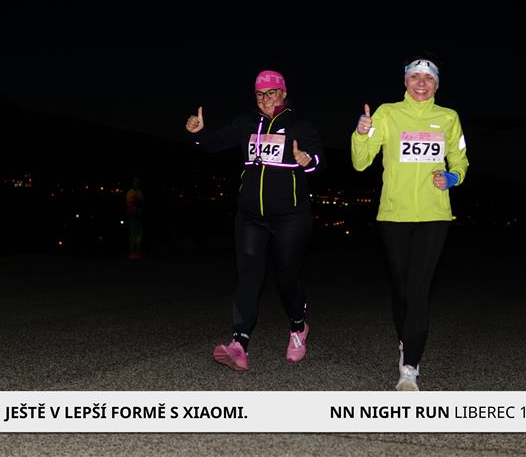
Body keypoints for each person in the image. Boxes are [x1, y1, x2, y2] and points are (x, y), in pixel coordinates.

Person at [185, 70, 325, 371]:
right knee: (248, 276)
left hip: (290, 217)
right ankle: (239, 343)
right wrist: (199, 133)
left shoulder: (300, 125)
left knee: (287, 278)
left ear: (283, 93)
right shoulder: (246, 123)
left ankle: (298, 326)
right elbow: (214, 143)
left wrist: (307, 160)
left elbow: (318, 162)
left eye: (271, 93)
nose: (265, 99)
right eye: (260, 94)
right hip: (250, 217)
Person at [351, 57, 469, 391]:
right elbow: (360, 163)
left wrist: (453, 176)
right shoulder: (387, 113)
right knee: (402, 290)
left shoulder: (448, 117)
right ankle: (406, 340)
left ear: (436, 85)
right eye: (415, 77)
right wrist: (361, 134)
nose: (421, 83)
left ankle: (410, 368)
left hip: (434, 215)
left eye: (428, 78)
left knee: (418, 290)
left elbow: (460, 159)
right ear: (405, 82)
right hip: (394, 215)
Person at [125, 176, 144, 259]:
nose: (137, 183)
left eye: (138, 181)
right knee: (133, 233)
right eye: (135, 181)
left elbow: (142, 203)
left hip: (139, 216)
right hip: (133, 216)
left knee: (140, 233)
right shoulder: (130, 192)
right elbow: (130, 203)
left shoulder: (139, 192)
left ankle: (138, 252)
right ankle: (132, 252)